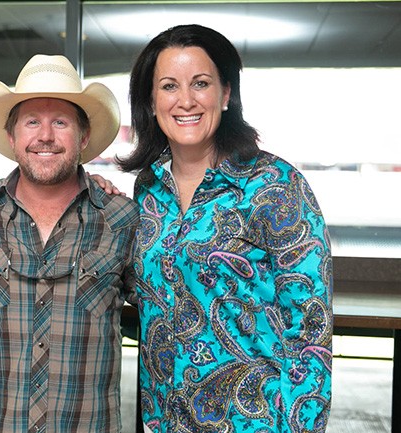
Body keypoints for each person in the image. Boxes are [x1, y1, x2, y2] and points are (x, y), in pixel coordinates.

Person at [118, 25, 333, 433]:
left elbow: (311, 329)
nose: (185, 101)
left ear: (227, 94)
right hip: (166, 419)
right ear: (150, 100)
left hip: (257, 422)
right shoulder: (148, 188)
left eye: (201, 83)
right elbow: (150, 292)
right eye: (168, 86)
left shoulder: (275, 186)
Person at [0, 54, 140, 432]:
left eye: (61, 123)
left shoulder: (121, 218)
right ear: (12, 136)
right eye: (32, 122)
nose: (45, 136)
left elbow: (165, 314)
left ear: (84, 137)